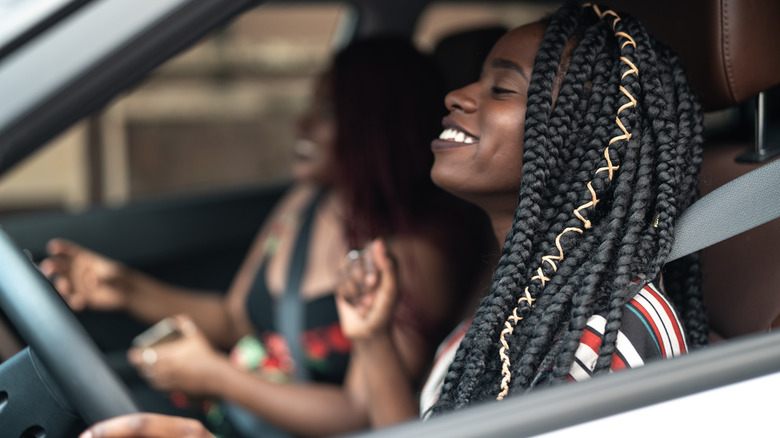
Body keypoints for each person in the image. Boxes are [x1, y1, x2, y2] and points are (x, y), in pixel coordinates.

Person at [77, 1, 709, 436]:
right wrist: (375, 340)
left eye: (502, 88)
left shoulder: (606, 336)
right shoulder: (516, 299)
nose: (457, 96)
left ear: (580, 139)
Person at [44, 36, 492, 438]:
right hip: (222, 416)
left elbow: (360, 413)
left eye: (328, 111)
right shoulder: (305, 204)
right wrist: (125, 288)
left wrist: (218, 376)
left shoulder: (413, 255)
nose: (302, 125)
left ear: (377, 125)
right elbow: (236, 318)